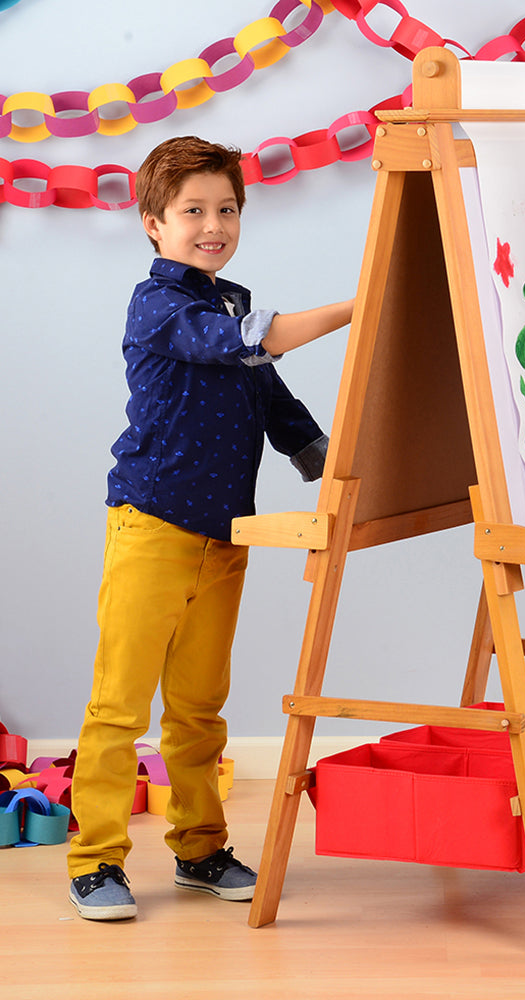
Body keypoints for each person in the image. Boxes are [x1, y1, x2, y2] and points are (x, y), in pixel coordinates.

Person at [67, 136, 354, 921]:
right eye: (192, 211)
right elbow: (244, 342)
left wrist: (326, 461)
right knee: (119, 706)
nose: (213, 225)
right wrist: (356, 307)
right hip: (152, 525)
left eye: (226, 209)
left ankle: (199, 847)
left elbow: (272, 398)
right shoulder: (159, 304)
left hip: (225, 535)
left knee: (198, 707)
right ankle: (94, 861)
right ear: (154, 223)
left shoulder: (231, 298)